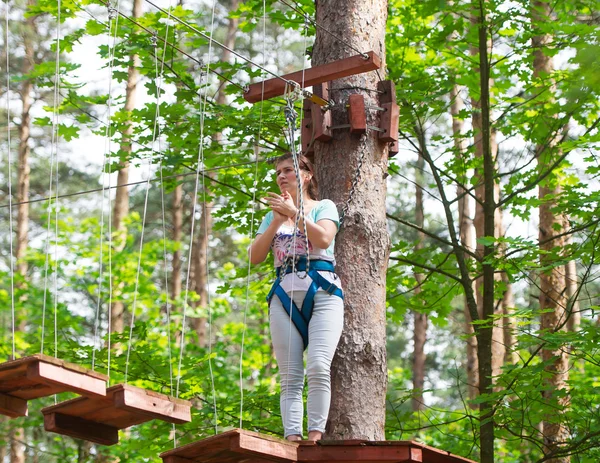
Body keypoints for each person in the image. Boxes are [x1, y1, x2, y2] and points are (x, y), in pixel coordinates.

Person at [249, 153, 344, 442]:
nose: (281, 176)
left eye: (288, 170)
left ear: (306, 175)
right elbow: (254, 257)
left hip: (323, 290)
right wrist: (277, 221)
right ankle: (293, 438)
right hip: (283, 295)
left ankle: (314, 437)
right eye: (278, 172)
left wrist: (295, 215)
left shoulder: (323, 207)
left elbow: (324, 240)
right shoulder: (271, 216)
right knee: (289, 375)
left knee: (317, 365)